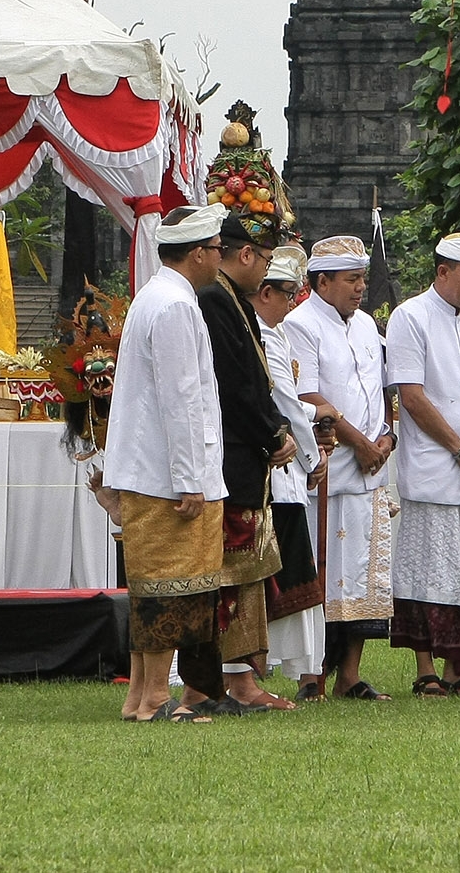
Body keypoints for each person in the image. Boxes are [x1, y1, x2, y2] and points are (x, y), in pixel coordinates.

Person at [103, 203, 231, 723]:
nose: (220, 259)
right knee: (172, 588)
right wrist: (190, 479)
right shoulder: (176, 307)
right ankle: (155, 695)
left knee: (152, 585)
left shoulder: (154, 297)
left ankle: (139, 695)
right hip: (168, 475)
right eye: (218, 250)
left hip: (148, 471)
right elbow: (181, 401)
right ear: (199, 253)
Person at [385, 232, 460, 697]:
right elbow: (410, 395)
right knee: (429, 569)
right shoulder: (409, 317)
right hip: (436, 466)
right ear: (443, 272)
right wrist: (457, 448)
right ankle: (425, 668)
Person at [191, 210, 296, 714]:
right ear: (246, 255)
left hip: (246, 456)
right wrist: (271, 433)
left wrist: (275, 429)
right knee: (233, 570)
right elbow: (233, 386)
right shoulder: (215, 300)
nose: (269, 268)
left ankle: (236, 678)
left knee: (247, 570)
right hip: (231, 458)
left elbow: (258, 381)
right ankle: (226, 681)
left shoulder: (234, 301)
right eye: (268, 257)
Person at [280, 234, 394, 701]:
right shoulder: (299, 324)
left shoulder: (367, 325)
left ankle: (350, 674)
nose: (360, 287)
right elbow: (307, 396)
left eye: (362, 278)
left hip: (372, 469)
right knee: (323, 573)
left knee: (364, 578)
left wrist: (385, 437)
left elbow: (382, 387)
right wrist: (361, 443)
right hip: (328, 469)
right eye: (351, 279)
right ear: (322, 282)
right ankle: (312, 677)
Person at [252, 244, 328, 692]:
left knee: (294, 571)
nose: (292, 301)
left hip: (287, 468)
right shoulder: (261, 334)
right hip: (277, 470)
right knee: (278, 574)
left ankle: (298, 667)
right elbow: (283, 402)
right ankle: (269, 663)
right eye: (286, 292)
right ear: (264, 293)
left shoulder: (275, 332)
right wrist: (312, 457)